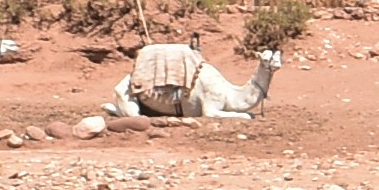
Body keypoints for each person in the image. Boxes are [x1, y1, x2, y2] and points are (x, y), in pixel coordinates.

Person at [106, 43, 277, 119]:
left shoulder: (217, 83)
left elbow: (245, 100)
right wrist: (243, 116)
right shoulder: (216, 90)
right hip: (140, 94)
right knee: (135, 117)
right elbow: (210, 113)